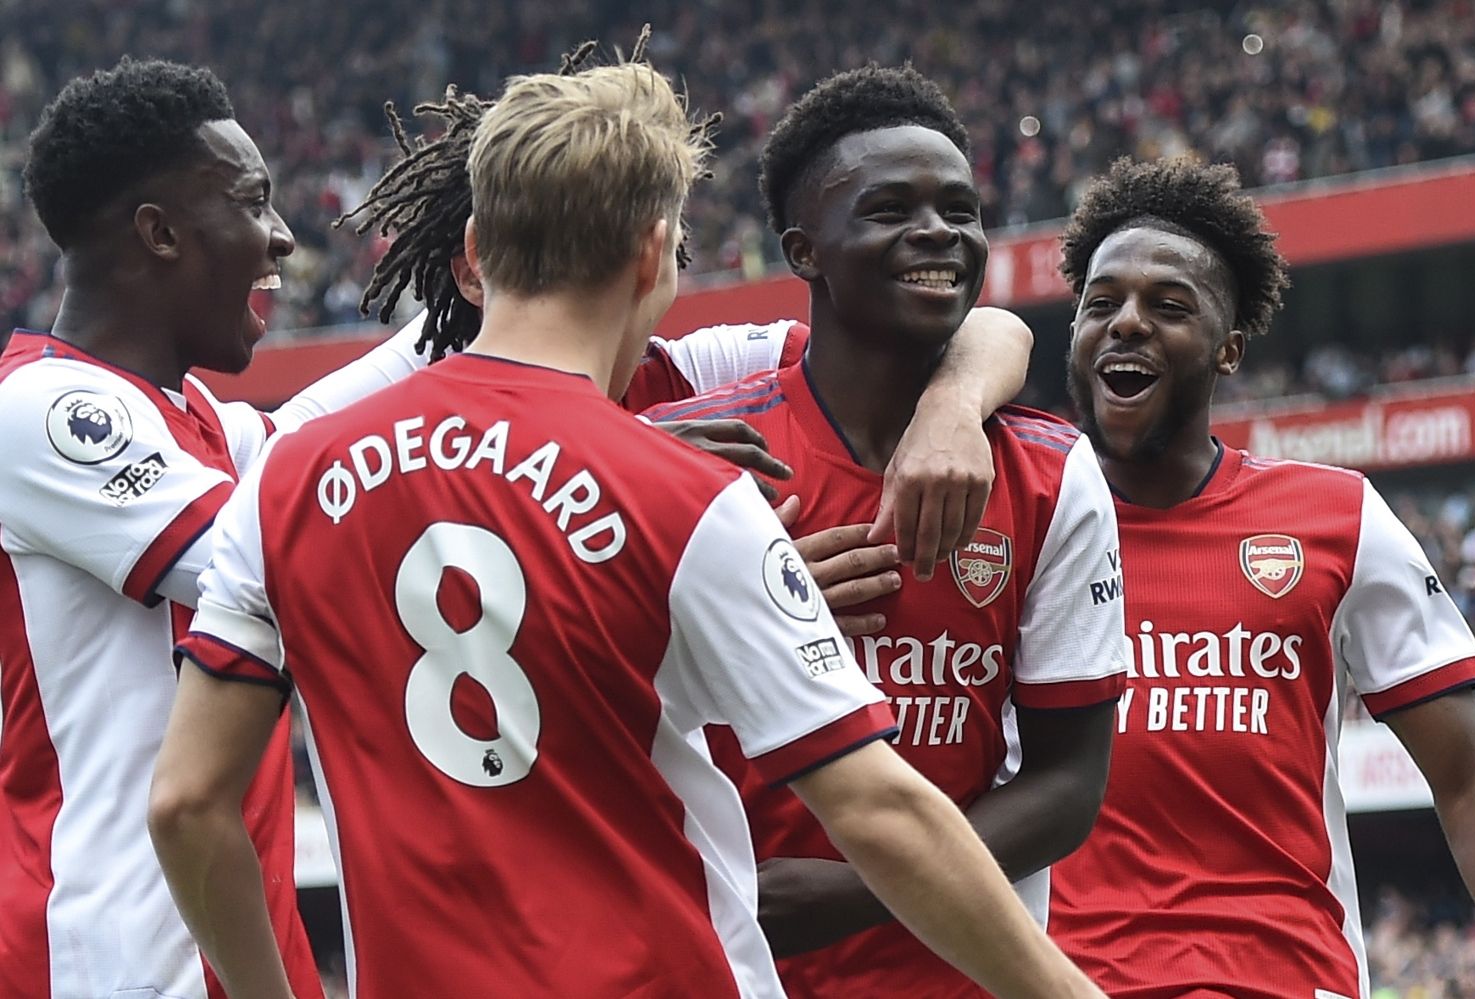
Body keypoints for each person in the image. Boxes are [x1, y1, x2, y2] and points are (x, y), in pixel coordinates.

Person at [148, 61, 1105, 999]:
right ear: (655, 254)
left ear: (475, 248)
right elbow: (879, 809)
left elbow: (187, 804)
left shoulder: (286, 477)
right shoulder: (691, 494)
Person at [642, 65, 1128, 998]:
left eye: (960, 209)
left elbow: (1069, 786)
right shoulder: (694, 448)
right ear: (804, 250)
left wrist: (859, 891)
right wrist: (749, 614)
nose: (939, 230)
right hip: (723, 968)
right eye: (890, 209)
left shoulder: (1051, 471)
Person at [0, 57, 433, 998]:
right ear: (159, 233)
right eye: (252, 200)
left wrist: (479, 288)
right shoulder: (41, 411)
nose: (282, 236)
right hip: (112, 967)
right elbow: (272, 558)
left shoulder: (189, 417)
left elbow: (329, 425)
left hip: (230, 952)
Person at [341, 33, 1038, 583]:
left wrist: (950, 407)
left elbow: (985, 329)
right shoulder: (381, 401)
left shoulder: (691, 372)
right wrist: (649, 499)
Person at [1046, 156, 1475, 999]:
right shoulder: (1020, 523)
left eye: (1169, 305)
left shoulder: (1338, 516)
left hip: (1287, 982)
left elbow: (1469, 774)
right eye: (1100, 304)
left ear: (1229, 349)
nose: (1127, 322)